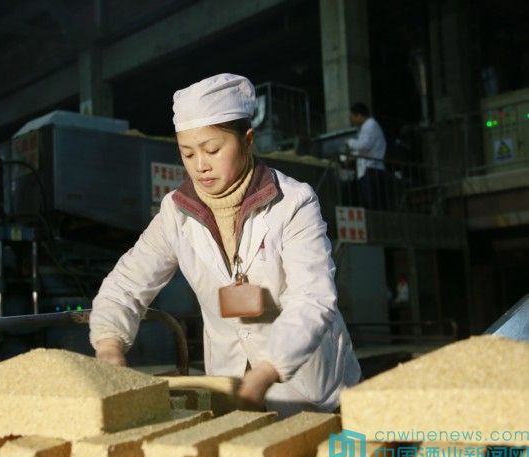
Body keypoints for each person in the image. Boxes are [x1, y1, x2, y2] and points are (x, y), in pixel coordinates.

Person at [90, 73, 360, 417]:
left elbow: (312, 297)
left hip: (306, 387)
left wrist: (268, 369)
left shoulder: (293, 202)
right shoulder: (176, 211)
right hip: (229, 386)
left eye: (212, 150)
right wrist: (109, 343)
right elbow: (127, 284)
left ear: (248, 141)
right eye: (187, 153)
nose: (200, 166)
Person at [346, 102, 388, 210]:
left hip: (372, 168)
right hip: (369, 169)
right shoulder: (367, 126)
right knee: (371, 201)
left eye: (352, 116)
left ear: (359, 115)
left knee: (373, 202)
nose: (351, 119)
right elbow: (364, 148)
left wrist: (349, 142)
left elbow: (365, 145)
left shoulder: (370, 125)